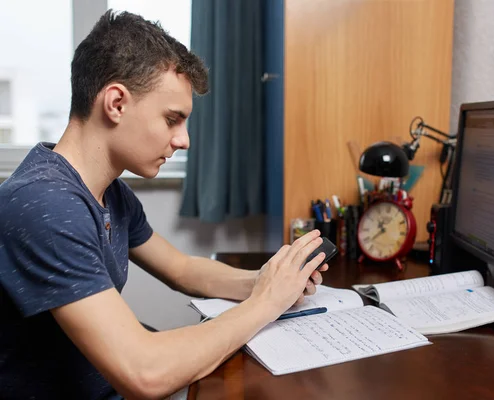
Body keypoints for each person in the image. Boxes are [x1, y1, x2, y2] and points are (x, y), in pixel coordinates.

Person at [0, 10, 329, 400]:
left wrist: (270, 280)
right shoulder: (44, 203)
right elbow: (144, 374)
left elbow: (183, 270)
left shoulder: (109, 191)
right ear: (116, 103)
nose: (184, 140)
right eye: (172, 119)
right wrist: (265, 303)